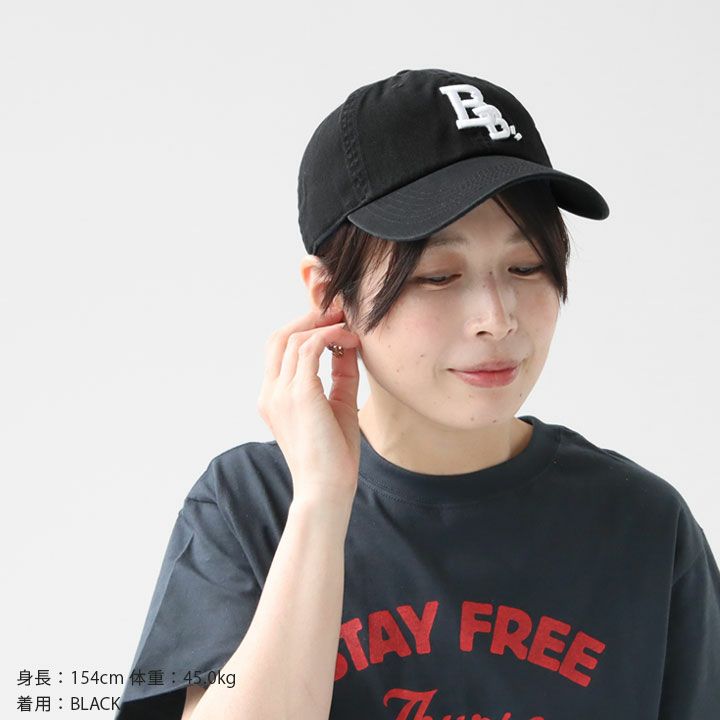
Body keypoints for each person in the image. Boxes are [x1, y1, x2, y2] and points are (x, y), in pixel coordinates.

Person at [115, 69, 720, 720]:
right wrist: (321, 503)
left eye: (526, 267)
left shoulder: (643, 525)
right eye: (437, 276)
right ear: (329, 295)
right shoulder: (250, 506)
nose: (497, 318)